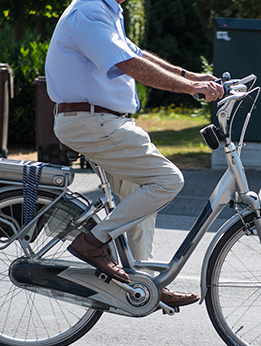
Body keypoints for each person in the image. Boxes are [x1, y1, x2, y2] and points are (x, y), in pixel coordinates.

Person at [45, 0, 224, 308]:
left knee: (141, 197)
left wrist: (193, 77)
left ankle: (144, 283)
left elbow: (136, 54)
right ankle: (92, 243)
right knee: (167, 181)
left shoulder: (107, 10)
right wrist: (188, 88)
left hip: (101, 121)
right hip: (92, 122)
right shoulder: (88, 12)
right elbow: (129, 65)